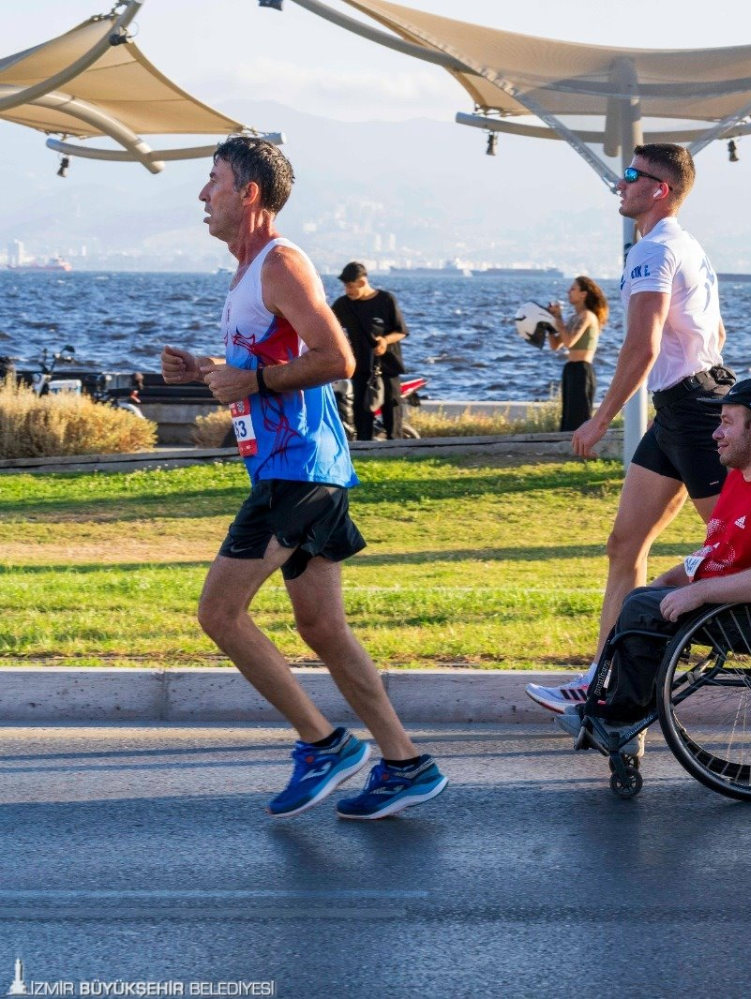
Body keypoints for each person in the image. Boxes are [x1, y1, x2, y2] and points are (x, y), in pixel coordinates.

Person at [526, 142, 751, 713]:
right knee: (625, 544)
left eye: (631, 176)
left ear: (660, 189)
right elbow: (714, 333)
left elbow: (643, 344)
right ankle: (603, 676)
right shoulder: (683, 247)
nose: (619, 186)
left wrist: (600, 419)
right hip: (682, 410)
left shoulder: (652, 252)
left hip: (695, 412)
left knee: (749, 547)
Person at [161, 137, 445, 820]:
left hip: (298, 472)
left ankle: (324, 744)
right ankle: (406, 762)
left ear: (249, 193)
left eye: (214, 181)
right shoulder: (249, 272)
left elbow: (338, 358)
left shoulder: (280, 262)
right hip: (298, 469)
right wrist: (207, 370)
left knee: (218, 613)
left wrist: (250, 378)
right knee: (323, 628)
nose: (204, 195)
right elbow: (268, 367)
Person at [554, 378, 751, 748]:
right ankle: (614, 713)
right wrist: (672, 580)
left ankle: (620, 722)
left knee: (642, 612)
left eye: (727, 422)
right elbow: (714, 553)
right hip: (731, 605)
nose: (716, 433)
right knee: (640, 599)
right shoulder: (739, 481)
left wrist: (698, 594)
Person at [331, 261, 407, 441]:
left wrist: (385, 341)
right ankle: (365, 447)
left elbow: (401, 331)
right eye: (345, 286)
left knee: (392, 408)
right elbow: (330, 327)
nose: (347, 291)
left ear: (362, 282)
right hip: (361, 366)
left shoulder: (386, 300)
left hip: (387, 365)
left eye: (350, 286)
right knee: (361, 410)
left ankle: (396, 445)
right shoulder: (343, 305)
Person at [545, 275, 607, 432]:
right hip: (570, 369)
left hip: (582, 370)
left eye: (573, 288)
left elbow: (569, 342)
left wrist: (558, 318)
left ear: (583, 294)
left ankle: (582, 451)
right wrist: (549, 323)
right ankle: (569, 450)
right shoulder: (574, 317)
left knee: (579, 417)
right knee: (568, 417)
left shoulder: (587, 316)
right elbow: (555, 345)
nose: (568, 292)